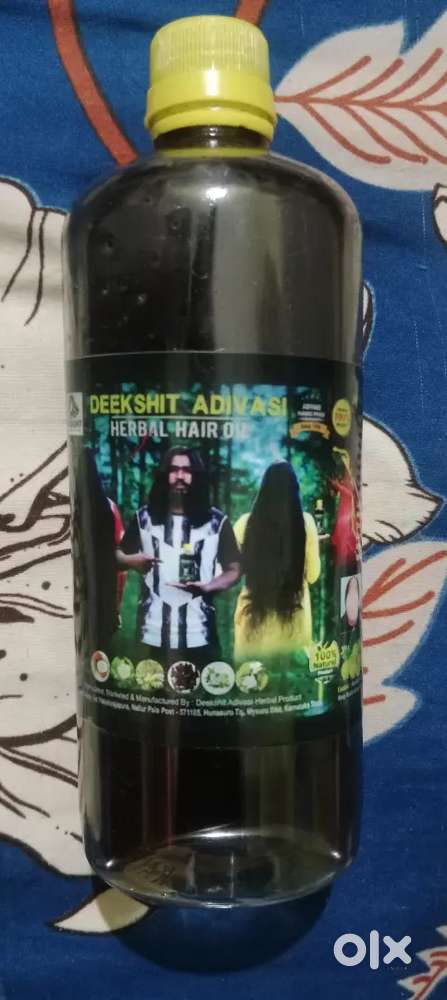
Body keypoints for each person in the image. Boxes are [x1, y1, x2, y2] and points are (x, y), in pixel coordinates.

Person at [117, 446, 241, 666]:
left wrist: (209, 587)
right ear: (164, 475)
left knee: (207, 687)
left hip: (200, 634)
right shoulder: (144, 518)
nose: (180, 476)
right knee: (150, 686)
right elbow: (117, 556)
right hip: (152, 633)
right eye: (174, 470)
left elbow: (234, 568)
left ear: (197, 476)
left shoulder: (216, 522)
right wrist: (130, 561)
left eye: (187, 470)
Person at [233, 461, 321, 660]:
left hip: (253, 623)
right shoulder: (306, 523)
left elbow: (231, 572)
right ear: (295, 491)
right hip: (293, 625)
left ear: (264, 489)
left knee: (250, 677)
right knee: (291, 677)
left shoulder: (245, 524)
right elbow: (313, 576)